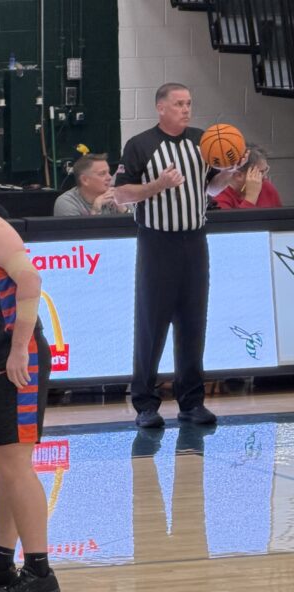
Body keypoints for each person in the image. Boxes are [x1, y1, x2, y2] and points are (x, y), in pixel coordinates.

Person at [114, 83, 243, 429]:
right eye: (179, 104)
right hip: (157, 244)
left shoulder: (203, 142)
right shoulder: (140, 145)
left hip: (195, 242)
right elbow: (121, 195)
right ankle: (145, 404)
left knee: (193, 324)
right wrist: (157, 185)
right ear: (161, 108)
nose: (186, 109)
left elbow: (210, 188)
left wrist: (228, 173)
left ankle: (192, 403)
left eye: (189, 103)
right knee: (151, 325)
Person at [0, 193, 60, 592]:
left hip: (15, 353)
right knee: (2, 463)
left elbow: (31, 280)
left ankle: (40, 571)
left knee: (14, 464)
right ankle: (2, 560)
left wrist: (20, 347)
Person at [54, 153, 128, 216]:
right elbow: (78, 229)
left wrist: (124, 210)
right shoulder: (67, 203)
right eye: (102, 174)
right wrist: (95, 211)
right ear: (85, 180)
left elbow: (133, 225)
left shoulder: (116, 196)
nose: (109, 177)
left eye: (109, 172)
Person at [212, 146, 282, 209]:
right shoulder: (219, 196)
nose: (265, 177)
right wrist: (251, 197)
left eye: (266, 170)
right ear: (238, 175)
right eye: (260, 173)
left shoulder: (267, 188)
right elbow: (235, 220)